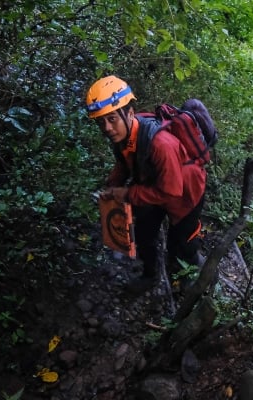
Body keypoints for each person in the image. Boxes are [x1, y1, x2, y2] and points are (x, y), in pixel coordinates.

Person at [85, 75, 206, 292]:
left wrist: (128, 194)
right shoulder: (124, 134)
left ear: (129, 113)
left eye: (112, 119)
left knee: (181, 244)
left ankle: (194, 281)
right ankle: (150, 276)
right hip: (152, 185)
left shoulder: (161, 144)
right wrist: (113, 185)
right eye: (101, 121)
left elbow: (171, 191)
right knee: (144, 234)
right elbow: (125, 161)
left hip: (186, 193)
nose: (107, 128)